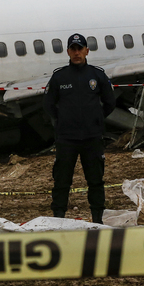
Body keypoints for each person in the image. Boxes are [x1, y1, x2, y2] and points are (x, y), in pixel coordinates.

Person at [43, 33, 116, 224]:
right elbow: (49, 104)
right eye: (73, 49)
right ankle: (58, 218)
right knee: (62, 181)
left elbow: (109, 102)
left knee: (95, 180)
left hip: (92, 137)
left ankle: (97, 218)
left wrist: (96, 119)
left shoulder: (97, 75)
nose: (77, 53)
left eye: (80, 49)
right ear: (68, 51)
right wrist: (62, 121)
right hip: (67, 138)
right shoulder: (59, 77)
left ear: (87, 51)